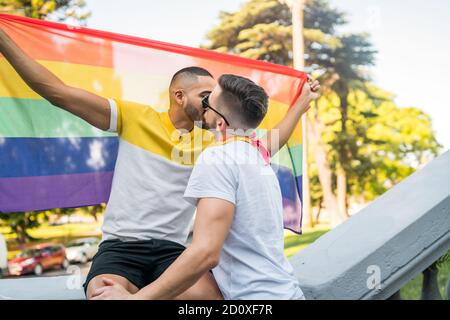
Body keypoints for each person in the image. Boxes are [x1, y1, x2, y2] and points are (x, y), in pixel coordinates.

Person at [0, 26, 318, 299]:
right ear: (179, 96)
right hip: (122, 247)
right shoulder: (134, 117)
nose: (210, 103)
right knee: (102, 293)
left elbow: (271, 142)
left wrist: (301, 104)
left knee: (212, 299)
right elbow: (59, 92)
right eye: (204, 95)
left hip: (174, 251)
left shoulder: (216, 144)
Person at [90, 74, 320, 300]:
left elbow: (205, 252)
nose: (204, 106)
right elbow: (270, 143)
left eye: (209, 101)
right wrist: (302, 103)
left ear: (220, 122)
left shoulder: (216, 158)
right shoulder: (256, 156)